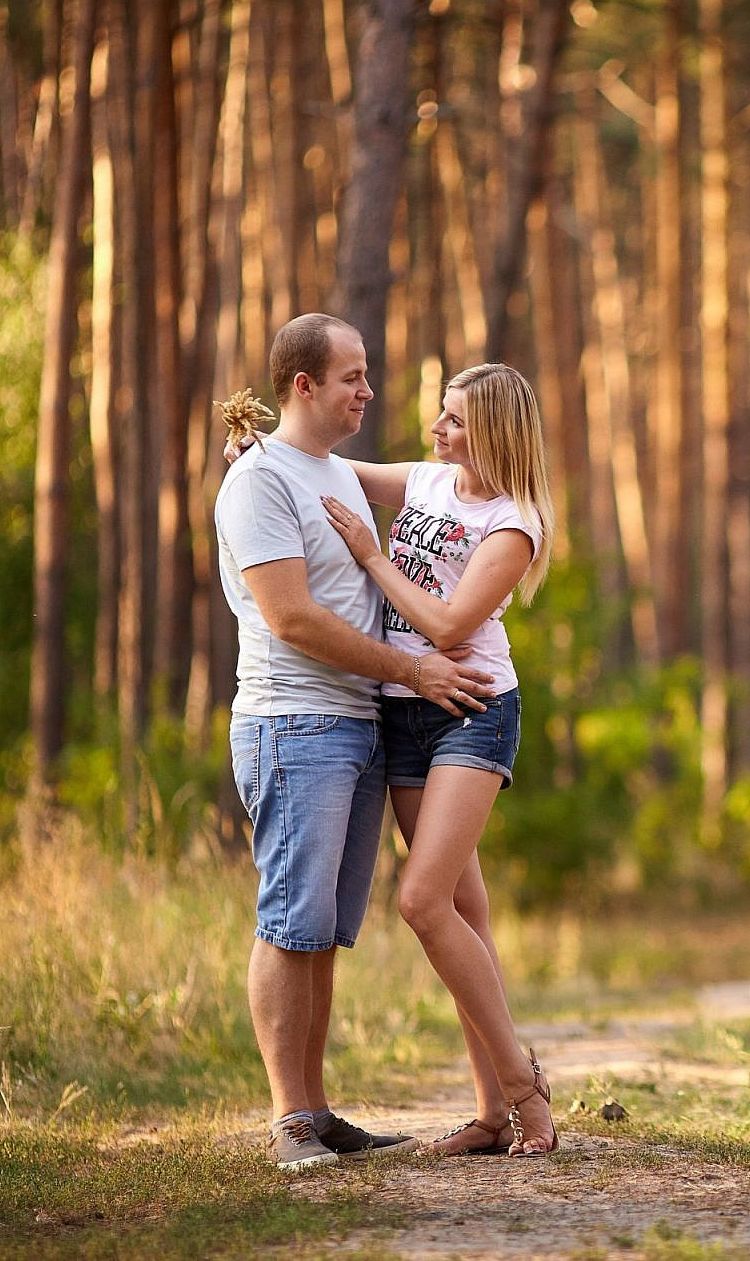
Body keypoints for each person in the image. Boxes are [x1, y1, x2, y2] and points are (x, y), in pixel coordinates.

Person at [236, 361, 560, 1159]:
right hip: (403, 713)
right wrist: (256, 440)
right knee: (465, 911)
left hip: (471, 713)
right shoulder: (426, 481)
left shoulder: (515, 524)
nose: (436, 431)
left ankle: (524, 1088)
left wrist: (372, 557)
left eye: (451, 420)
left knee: (421, 902)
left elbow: (449, 627)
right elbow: (324, 460)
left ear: (487, 429)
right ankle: (492, 1117)